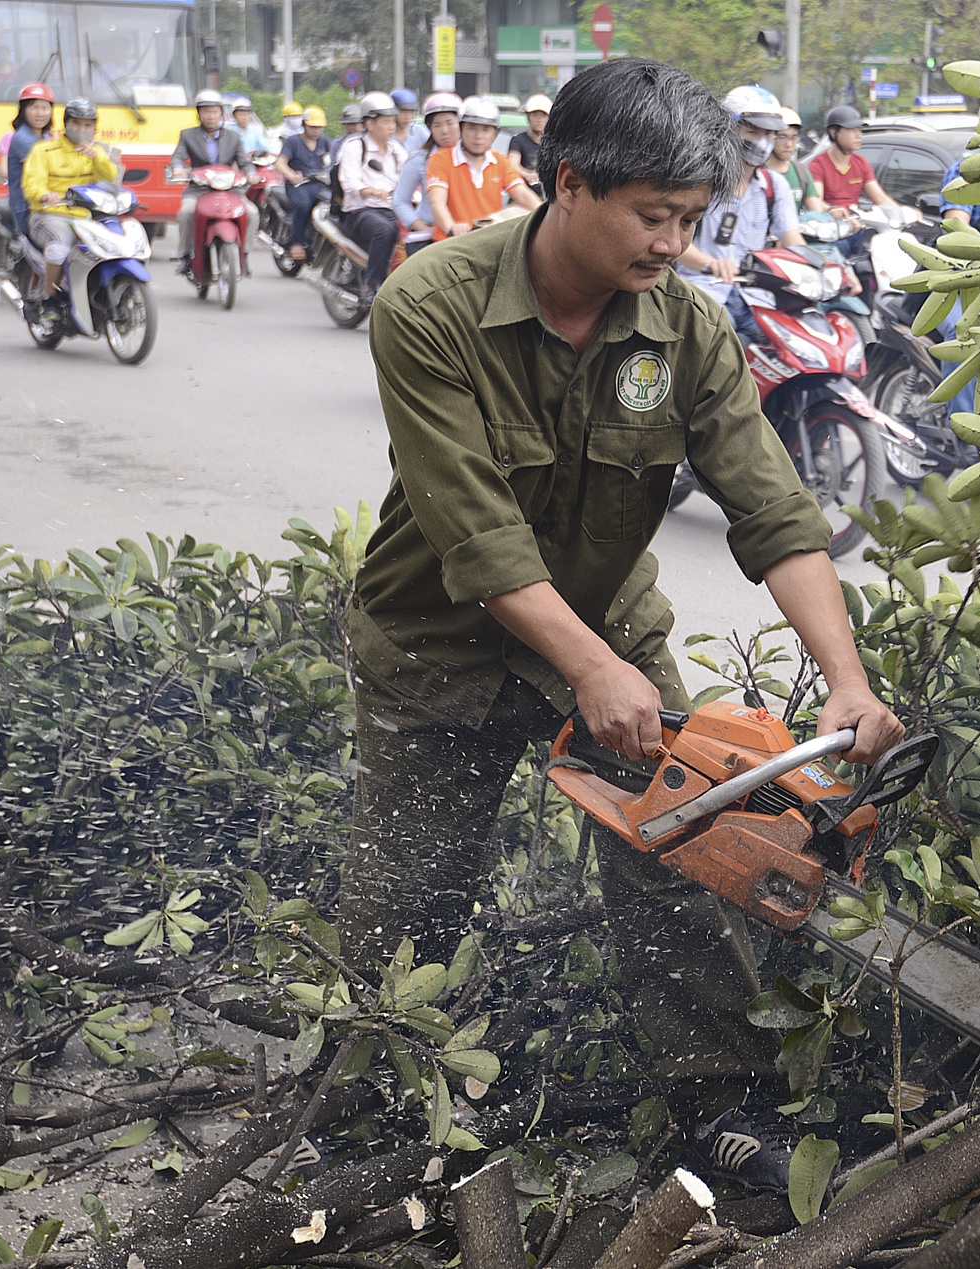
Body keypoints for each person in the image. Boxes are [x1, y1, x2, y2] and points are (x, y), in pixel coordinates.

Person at [344, 56, 904, 1190]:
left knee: (685, 862)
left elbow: (774, 508)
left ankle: (716, 1109)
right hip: (435, 648)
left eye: (693, 220)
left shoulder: (685, 330)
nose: (673, 244)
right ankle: (368, 1109)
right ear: (570, 182)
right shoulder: (429, 306)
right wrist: (591, 667)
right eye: (656, 216)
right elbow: (478, 534)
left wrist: (845, 680)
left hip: (611, 637)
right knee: (407, 900)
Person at [679, 84, 802, 344]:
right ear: (727, 129)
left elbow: (794, 241)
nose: (762, 142)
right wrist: (711, 264)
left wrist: (825, 266)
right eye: (752, 131)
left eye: (770, 134)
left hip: (755, 296)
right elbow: (677, 246)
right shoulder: (700, 182)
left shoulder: (774, 187)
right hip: (704, 292)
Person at [20, 99, 117, 301]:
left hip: (85, 217)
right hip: (49, 215)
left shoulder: (95, 151)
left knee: (111, 248)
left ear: (94, 128)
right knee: (59, 249)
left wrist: (96, 158)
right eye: (76, 124)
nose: (82, 129)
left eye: (87, 125)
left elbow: (111, 178)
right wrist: (46, 194)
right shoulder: (43, 151)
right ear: (66, 124)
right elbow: (31, 185)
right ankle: (49, 298)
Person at [424, 95, 541, 242]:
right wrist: (451, 227)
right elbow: (437, 201)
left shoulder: (500, 161)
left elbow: (523, 195)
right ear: (461, 129)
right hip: (451, 242)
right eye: (472, 128)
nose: (478, 136)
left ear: (494, 134)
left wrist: (544, 215)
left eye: (485, 130)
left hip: (488, 241)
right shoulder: (440, 159)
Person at [170, 88, 258, 274]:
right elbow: (178, 157)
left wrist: (251, 173)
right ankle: (185, 255)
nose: (210, 116)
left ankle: (245, 255)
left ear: (221, 113)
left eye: (214, 111)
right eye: (205, 111)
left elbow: (244, 161)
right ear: (198, 114)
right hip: (198, 189)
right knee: (186, 212)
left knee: (251, 212)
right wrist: (178, 169)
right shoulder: (187, 135)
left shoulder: (233, 137)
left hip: (230, 190)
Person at [338, 90, 406, 298]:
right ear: (369, 123)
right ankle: (372, 285)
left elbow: (409, 173)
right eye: (386, 122)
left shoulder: (396, 150)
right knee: (385, 231)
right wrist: (369, 191)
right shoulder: (354, 147)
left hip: (392, 208)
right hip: (360, 211)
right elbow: (349, 182)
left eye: (393, 121)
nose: (391, 127)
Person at [393, 91, 461, 256]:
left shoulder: (477, 158)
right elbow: (400, 201)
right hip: (430, 235)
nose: (444, 131)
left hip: (467, 232)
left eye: (450, 123)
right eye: (437, 125)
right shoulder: (419, 159)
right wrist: (422, 228)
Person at [806, 105, 895, 215]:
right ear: (833, 132)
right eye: (852, 130)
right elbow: (816, 201)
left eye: (859, 129)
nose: (858, 135)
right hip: (832, 226)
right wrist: (832, 210)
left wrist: (901, 212)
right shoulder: (818, 165)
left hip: (857, 224)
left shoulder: (861, 163)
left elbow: (880, 198)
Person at [276, 105, 334, 259]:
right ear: (304, 125)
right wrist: (292, 175)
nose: (316, 130)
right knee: (303, 205)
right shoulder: (293, 142)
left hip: (320, 184)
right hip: (298, 186)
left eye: (319, 127)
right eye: (312, 127)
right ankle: (297, 242)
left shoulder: (325, 142)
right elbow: (280, 163)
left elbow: (333, 162)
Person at [2, 81, 56, 237]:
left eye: (44, 108)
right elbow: (49, 167)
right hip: (27, 207)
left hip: (45, 204)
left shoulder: (44, 136)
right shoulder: (22, 138)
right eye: (34, 107)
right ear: (23, 111)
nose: (40, 113)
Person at [765, 105, 822, 212]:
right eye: (782, 137)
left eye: (794, 137)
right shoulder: (758, 173)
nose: (789, 144)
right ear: (770, 137)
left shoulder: (800, 172)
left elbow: (817, 211)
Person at [508, 92, 551, 193]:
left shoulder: (553, 142)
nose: (539, 120)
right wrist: (526, 174)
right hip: (523, 193)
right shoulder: (518, 141)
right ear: (528, 117)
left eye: (543, 115)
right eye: (535, 115)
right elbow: (512, 163)